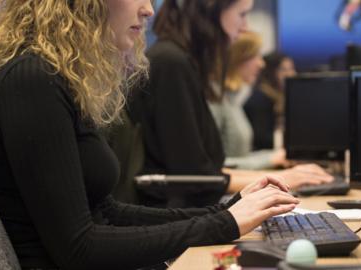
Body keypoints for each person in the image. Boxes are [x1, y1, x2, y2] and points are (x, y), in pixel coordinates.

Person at [0, 1, 300, 269]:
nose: (149, 9)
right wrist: (223, 224)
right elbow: (78, 247)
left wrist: (224, 212)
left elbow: (107, 211)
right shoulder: (31, 81)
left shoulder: (58, 79)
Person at [129, 0, 333, 208]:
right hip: (179, 222)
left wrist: (281, 177)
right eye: (242, 15)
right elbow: (195, 177)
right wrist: (281, 179)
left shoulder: (181, 62)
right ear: (210, 12)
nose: (245, 27)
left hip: (188, 216)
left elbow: (207, 172)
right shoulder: (171, 63)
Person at [208, 31, 288, 170]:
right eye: (254, 56)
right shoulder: (214, 100)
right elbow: (214, 167)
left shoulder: (230, 100)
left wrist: (278, 156)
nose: (261, 64)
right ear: (236, 58)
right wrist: (270, 159)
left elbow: (242, 158)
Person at [244, 52, 297, 150]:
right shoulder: (260, 98)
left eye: (292, 69)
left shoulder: (281, 97)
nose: (290, 74)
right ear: (270, 72)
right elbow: (261, 138)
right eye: (283, 70)